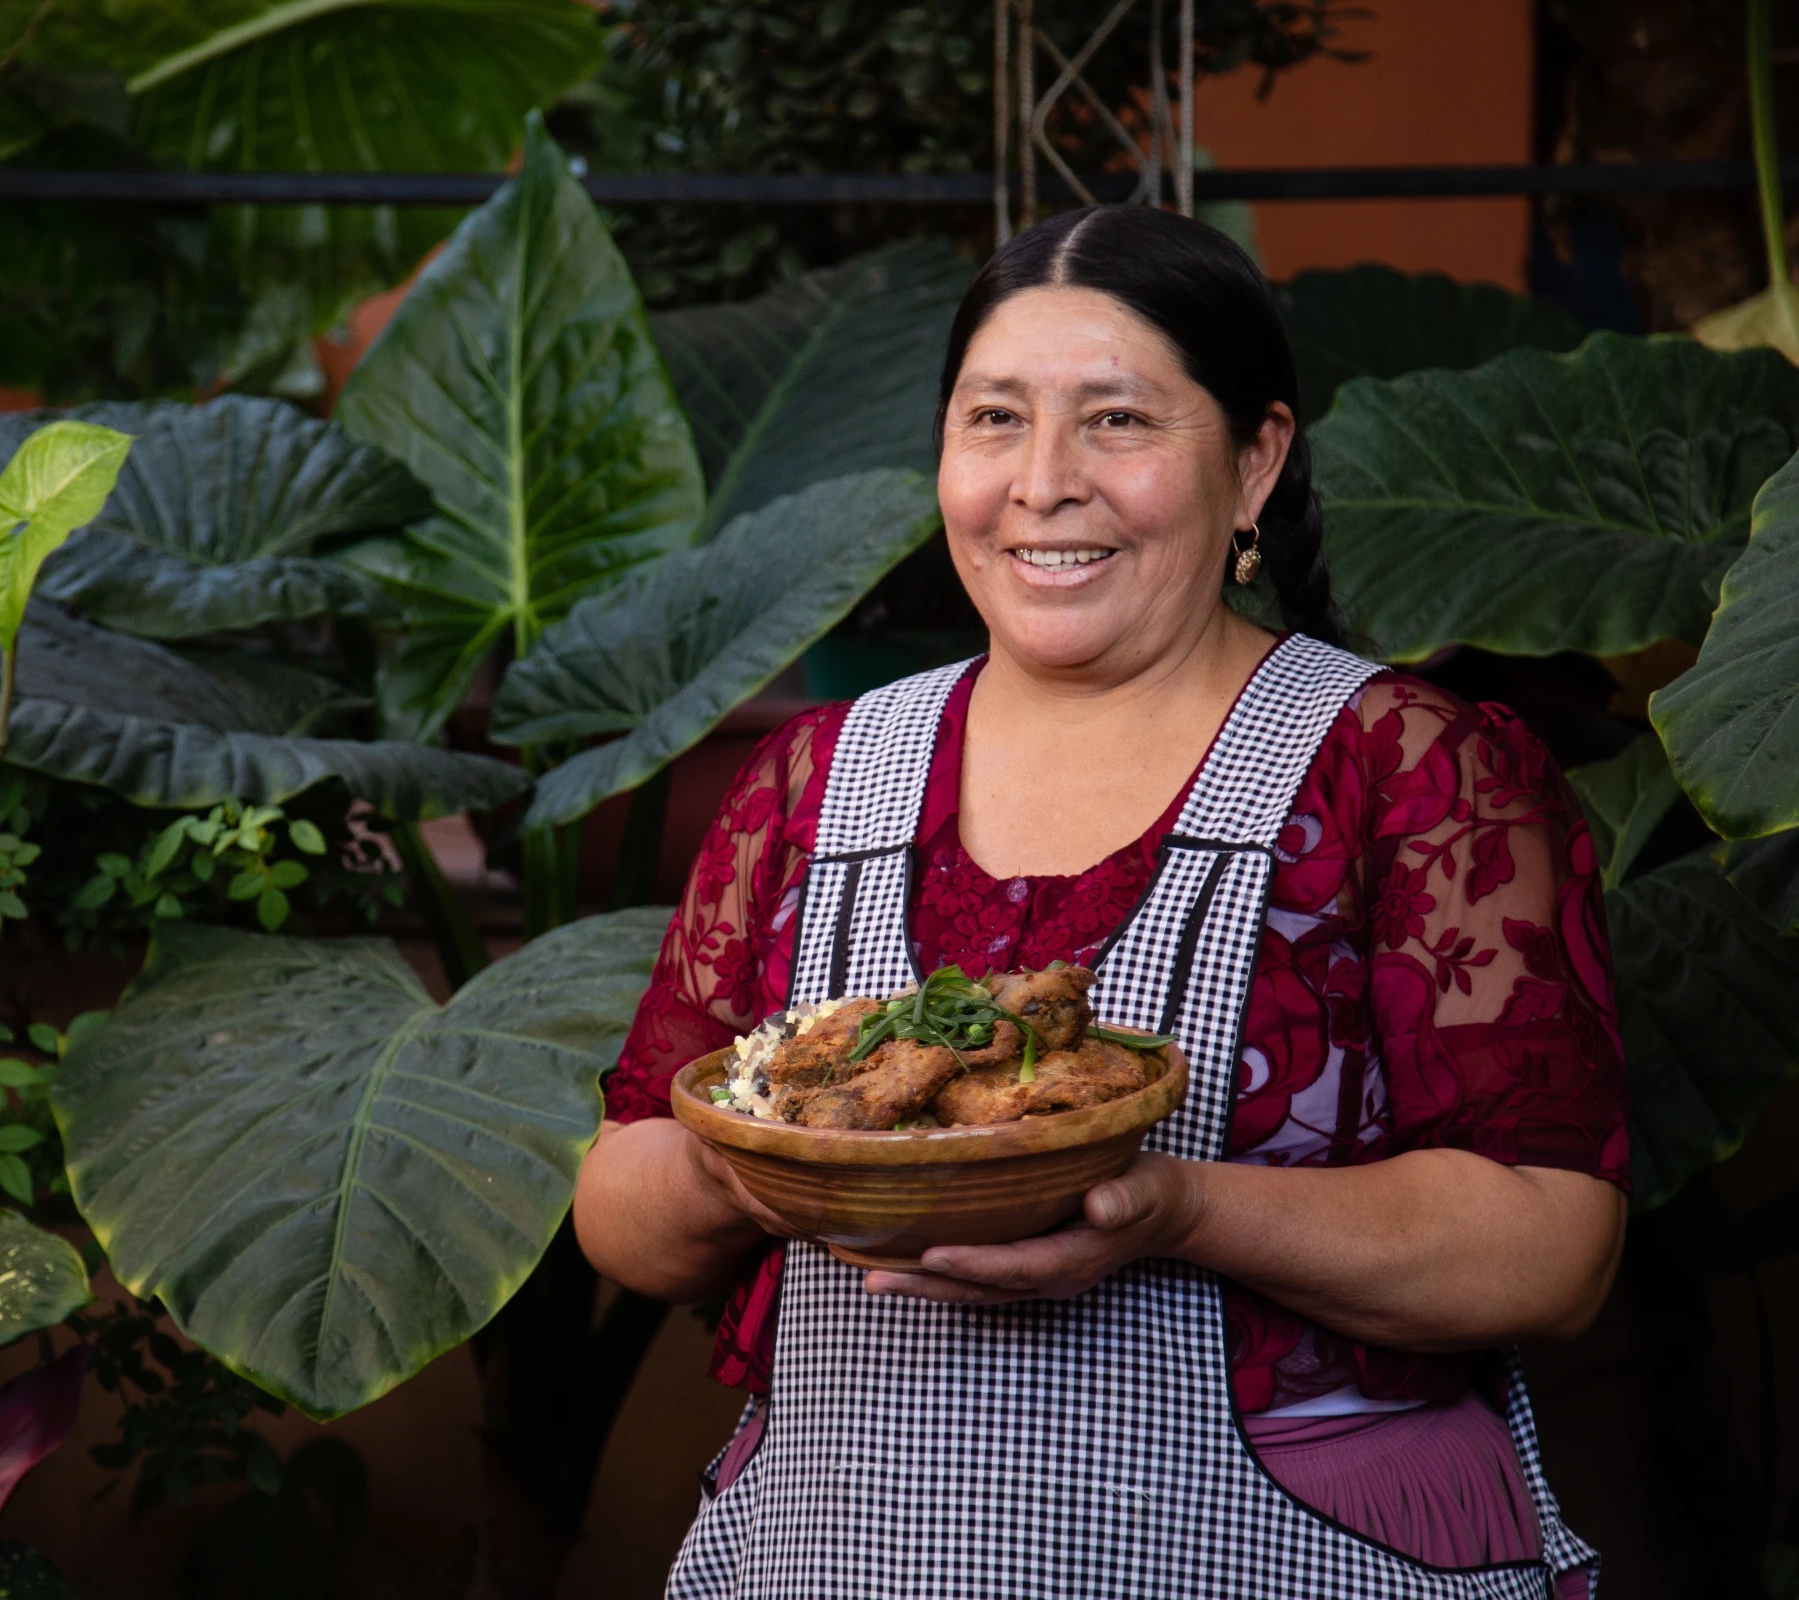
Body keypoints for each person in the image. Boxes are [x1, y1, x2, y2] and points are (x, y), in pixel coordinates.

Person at [573, 204, 1628, 1599]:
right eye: (995, 419)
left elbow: (1550, 1248)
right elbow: (623, 1209)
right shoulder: (817, 779)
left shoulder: (1404, 768)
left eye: (1118, 421)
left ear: (1255, 460)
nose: (1044, 482)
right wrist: (781, 1155)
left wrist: (1174, 1210)